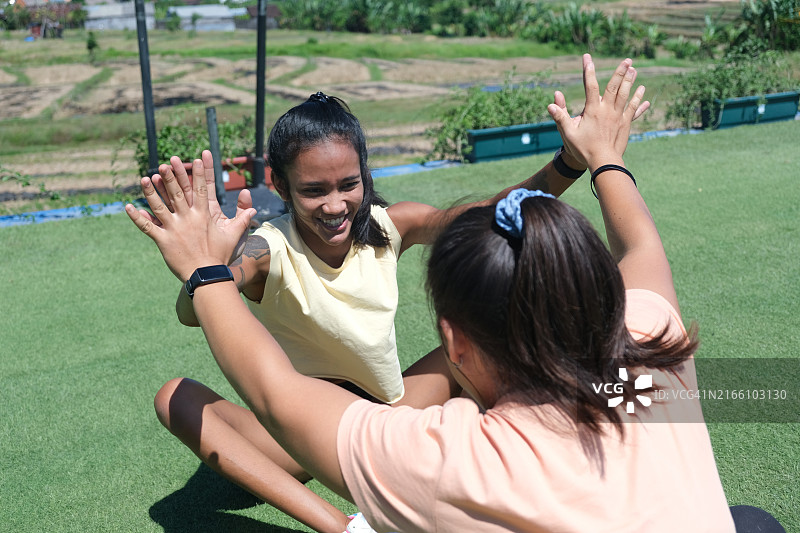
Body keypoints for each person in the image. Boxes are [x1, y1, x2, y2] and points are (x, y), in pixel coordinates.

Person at [127, 54, 746, 531]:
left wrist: (198, 268)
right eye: (314, 190)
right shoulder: (654, 352)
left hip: (377, 407)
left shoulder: (452, 456)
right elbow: (630, 248)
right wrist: (600, 158)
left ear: (453, 337)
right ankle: (342, 524)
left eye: (349, 184)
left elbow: (484, 215)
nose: (336, 203)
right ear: (281, 189)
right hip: (333, 408)